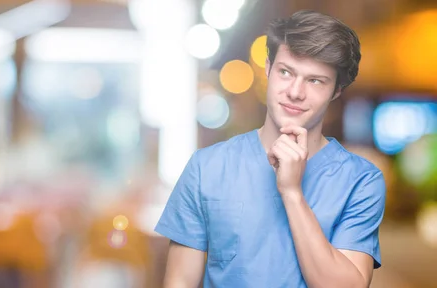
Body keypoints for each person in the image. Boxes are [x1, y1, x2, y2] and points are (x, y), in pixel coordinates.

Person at [155, 10, 386, 288]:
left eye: (315, 80)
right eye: (286, 72)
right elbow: (179, 281)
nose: (295, 92)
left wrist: (292, 193)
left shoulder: (361, 181)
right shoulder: (206, 167)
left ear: (336, 90)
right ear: (268, 68)